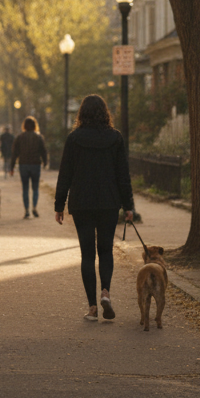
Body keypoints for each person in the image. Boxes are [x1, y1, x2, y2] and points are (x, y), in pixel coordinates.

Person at [54, 95, 134, 322]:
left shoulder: (74, 139)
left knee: (87, 254)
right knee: (106, 250)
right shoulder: (115, 138)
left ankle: (92, 307)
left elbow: (65, 173)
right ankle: (106, 292)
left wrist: (59, 205)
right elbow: (123, 175)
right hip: (108, 202)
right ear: (105, 113)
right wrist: (128, 205)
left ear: (81, 114)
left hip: (82, 203)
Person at [8, 116, 48, 218]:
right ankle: (34, 206)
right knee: (35, 188)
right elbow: (43, 151)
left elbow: (14, 153)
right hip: (35, 165)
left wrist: (11, 167)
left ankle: (26, 210)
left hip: (23, 165)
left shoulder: (20, 137)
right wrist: (45, 162)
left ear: (24, 126)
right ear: (35, 126)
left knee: (25, 188)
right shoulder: (39, 137)